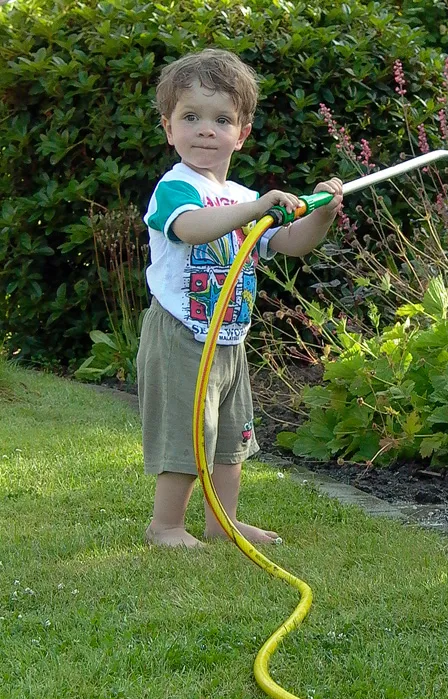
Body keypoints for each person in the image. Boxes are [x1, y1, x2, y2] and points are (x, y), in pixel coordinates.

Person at [137, 49, 343, 548]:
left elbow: (289, 245)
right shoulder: (175, 188)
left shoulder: (240, 194)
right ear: (168, 128)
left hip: (229, 335)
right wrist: (259, 206)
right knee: (188, 433)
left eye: (221, 119)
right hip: (181, 332)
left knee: (231, 439)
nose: (205, 130)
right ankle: (165, 526)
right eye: (190, 117)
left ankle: (222, 522)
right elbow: (190, 228)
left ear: (242, 133)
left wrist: (322, 214)